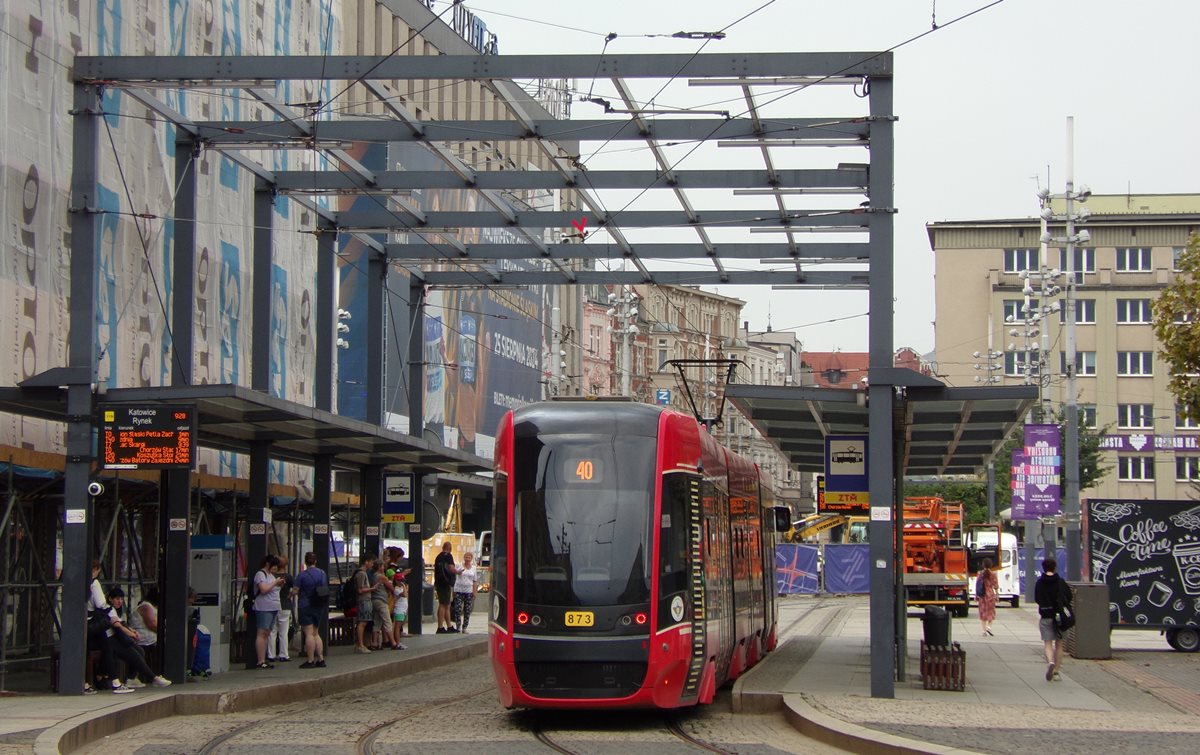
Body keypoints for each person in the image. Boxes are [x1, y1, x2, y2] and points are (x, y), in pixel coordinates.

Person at [106, 588, 172, 689]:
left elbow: (122, 623)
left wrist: (131, 630)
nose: (120, 601)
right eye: (117, 599)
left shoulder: (118, 610)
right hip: (110, 640)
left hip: (118, 639)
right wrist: (131, 634)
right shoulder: (108, 609)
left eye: (121, 599)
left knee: (139, 651)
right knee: (133, 653)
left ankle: (131, 678)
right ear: (110, 599)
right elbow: (117, 625)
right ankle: (153, 678)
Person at [85, 560, 123, 694]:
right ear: (95, 570)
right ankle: (114, 681)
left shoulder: (78, 582)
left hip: (79, 624)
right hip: (91, 623)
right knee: (107, 644)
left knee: (102, 645)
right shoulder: (94, 583)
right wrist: (112, 614)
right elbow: (101, 603)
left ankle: (88, 682)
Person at [1035, 557, 1073, 681]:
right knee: (1059, 643)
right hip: (1060, 617)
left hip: (1046, 616)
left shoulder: (1040, 582)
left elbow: (1037, 599)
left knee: (1047, 643)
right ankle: (1056, 671)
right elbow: (1069, 596)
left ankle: (1050, 662)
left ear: (1043, 568)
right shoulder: (1061, 582)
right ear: (1055, 567)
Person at [251, 554, 286, 669]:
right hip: (264, 607)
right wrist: (275, 583)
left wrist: (278, 584)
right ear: (267, 564)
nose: (275, 568)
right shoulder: (260, 574)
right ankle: (260, 661)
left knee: (267, 633)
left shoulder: (271, 575)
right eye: (273, 565)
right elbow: (264, 589)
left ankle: (263, 659)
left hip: (273, 606)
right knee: (262, 633)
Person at [293, 551, 327, 668]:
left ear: (305, 562)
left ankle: (310, 660)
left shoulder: (302, 575)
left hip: (305, 605)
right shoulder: (322, 573)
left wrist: (291, 594)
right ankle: (321, 658)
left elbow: (295, 590)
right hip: (319, 605)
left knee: (308, 633)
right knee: (316, 633)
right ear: (315, 561)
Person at [267, 555, 295, 662]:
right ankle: (283, 654)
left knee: (272, 631)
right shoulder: (288, 577)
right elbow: (296, 588)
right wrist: (290, 595)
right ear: (286, 565)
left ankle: (271, 655)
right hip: (285, 606)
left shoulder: (271, 576)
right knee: (283, 632)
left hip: (272, 605)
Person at [369, 554, 398, 650]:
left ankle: (375, 643)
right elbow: (391, 588)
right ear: (380, 567)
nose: (384, 567)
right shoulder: (382, 577)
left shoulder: (373, 576)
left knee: (377, 622)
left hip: (374, 600)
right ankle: (393, 643)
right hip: (381, 601)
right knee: (387, 621)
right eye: (382, 566)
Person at [433, 541, 460, 633]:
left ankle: (449, 626)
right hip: (445, 583)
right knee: (443, 604)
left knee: (447, 604)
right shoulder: (448, 556)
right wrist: (458, 572)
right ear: (450, 548)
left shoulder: (438, 557)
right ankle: (440, 627)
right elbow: (451, 568)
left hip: (439, 582)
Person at [354, 553, 377, 654]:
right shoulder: (361, 574)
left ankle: (361, 644)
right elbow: (360, 590)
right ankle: (360, 644)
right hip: (363, 600)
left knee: (364, 622)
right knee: (362, 623)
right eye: (371, 562)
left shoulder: (363, 573)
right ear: (366, 562)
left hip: (366, 600)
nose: (372, 565)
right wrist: (372, 588)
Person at [451, 551, 479, 633]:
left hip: (468, 591)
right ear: (464, 558)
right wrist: (453, 590)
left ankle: (465, 627)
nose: (467, 559)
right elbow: (454, 575)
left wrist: (474, 591)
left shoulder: (474, 568)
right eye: (466, 557)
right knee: (458, 609)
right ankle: (458, 626)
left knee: (467, 610)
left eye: (469, 557)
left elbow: (475, 581)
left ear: (471, 559)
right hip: (459, 590)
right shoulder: (459, 566)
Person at [977, 558, 999, 637]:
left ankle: (983, 631)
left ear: (983, 565)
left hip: (982, 596)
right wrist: (997, 595)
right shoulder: (993, 574)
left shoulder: (980, 574)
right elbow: (995, 585)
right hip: (990, 595)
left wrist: (976, 595)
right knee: (991, 612)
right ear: (991, 565)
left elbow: (977, 585)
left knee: (983, 612)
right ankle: (989, 627)